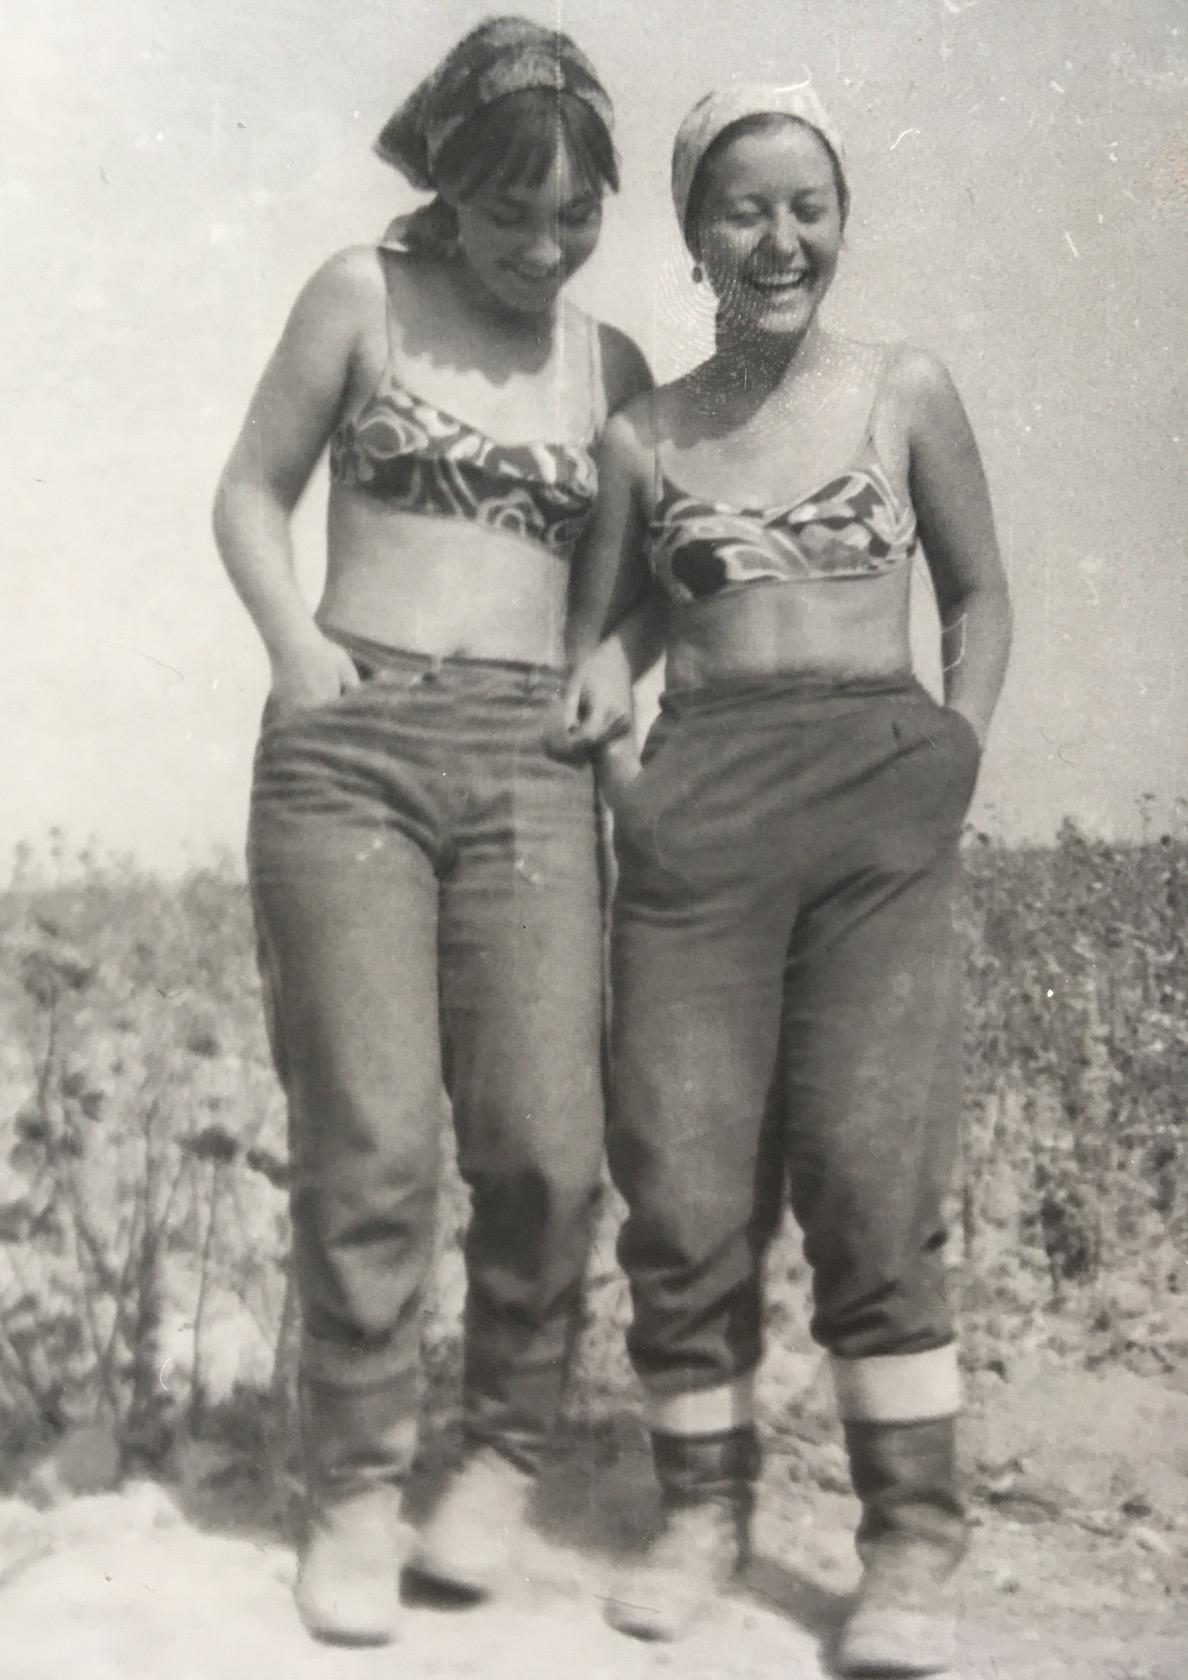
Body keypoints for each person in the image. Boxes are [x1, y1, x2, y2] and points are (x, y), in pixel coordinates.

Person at [212, 17, 649, 1646]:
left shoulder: (612, 370)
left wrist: (614, 661)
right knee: (375, 1140)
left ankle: (503, 1457)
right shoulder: (360, 296)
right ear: (448, 188)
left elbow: (642, 591)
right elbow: (249, 492)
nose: (542, 248)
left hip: (530, 761)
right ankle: (353, 1491)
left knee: (544, 1142)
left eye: (575, 217)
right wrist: (295, 648)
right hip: (351, 752)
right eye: (509, 213)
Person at [565, 82, 1011, 1674]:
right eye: (743, 209)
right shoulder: (647, 435)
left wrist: (952, 751)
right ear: (694, 234)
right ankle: (702, 1516)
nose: (779, 239)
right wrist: (630, 772)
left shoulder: (904, 389)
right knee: (684, 1186)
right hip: (704, 809)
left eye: (806, 206)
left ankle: (911, 1543)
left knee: (873, 1177)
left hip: (878, 803)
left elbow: (979, 597)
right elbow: (606, 639)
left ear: (840, 220)